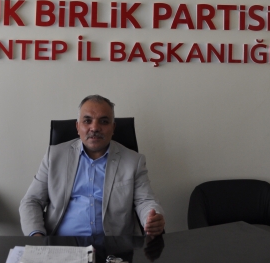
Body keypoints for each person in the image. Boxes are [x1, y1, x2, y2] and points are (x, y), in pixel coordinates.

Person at [19, 95, 165, 237]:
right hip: (61, 244)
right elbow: (32, 201)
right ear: (77, 126)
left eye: (104, 121)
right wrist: (36, 236)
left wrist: (152, 217)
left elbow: (145, 201)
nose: (94, 127)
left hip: (114, 246)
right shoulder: (54, 156)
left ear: (113, 127)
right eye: (87, 121)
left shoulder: (134, 161)